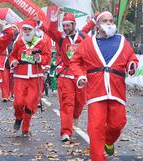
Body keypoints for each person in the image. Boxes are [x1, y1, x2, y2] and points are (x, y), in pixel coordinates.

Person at [69, 11, 139, 161]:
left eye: (111, 20)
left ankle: (108, 141)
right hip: (96, 90)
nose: (109, 23)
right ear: (97, 25)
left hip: (117, 90)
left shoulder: (122, 41)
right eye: (105, 20)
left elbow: (131, 58)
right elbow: (75, 61)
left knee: (118, 124)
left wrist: (132, 65)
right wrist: (81, 76)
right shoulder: (88, 42)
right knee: (95, 128)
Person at [37, 8, 95, 142]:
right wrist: (54, 18)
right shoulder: (60, 38)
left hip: (80, 75)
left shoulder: (83, 37)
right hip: (65, 74)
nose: (65, 28)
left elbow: (90, 34)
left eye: (68, 25)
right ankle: (65, 132)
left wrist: (94, 20)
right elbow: (50, 31)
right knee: (67, 103)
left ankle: (76, 116)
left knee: (80, 102)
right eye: (63, 25)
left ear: (74, 25)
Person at [9, 18, 50, 137]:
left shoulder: (41, 43)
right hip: (20, 76)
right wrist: (14, 62)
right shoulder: (19, 42)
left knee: (29, 104)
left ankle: (25, 128)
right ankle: (18, 117)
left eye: (29, 29)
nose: (26, 31)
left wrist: (40, 59)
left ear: (33, 30)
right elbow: (11, 56)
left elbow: (47, 57)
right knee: (18, 102)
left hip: (35, 77)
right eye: (25, 29)